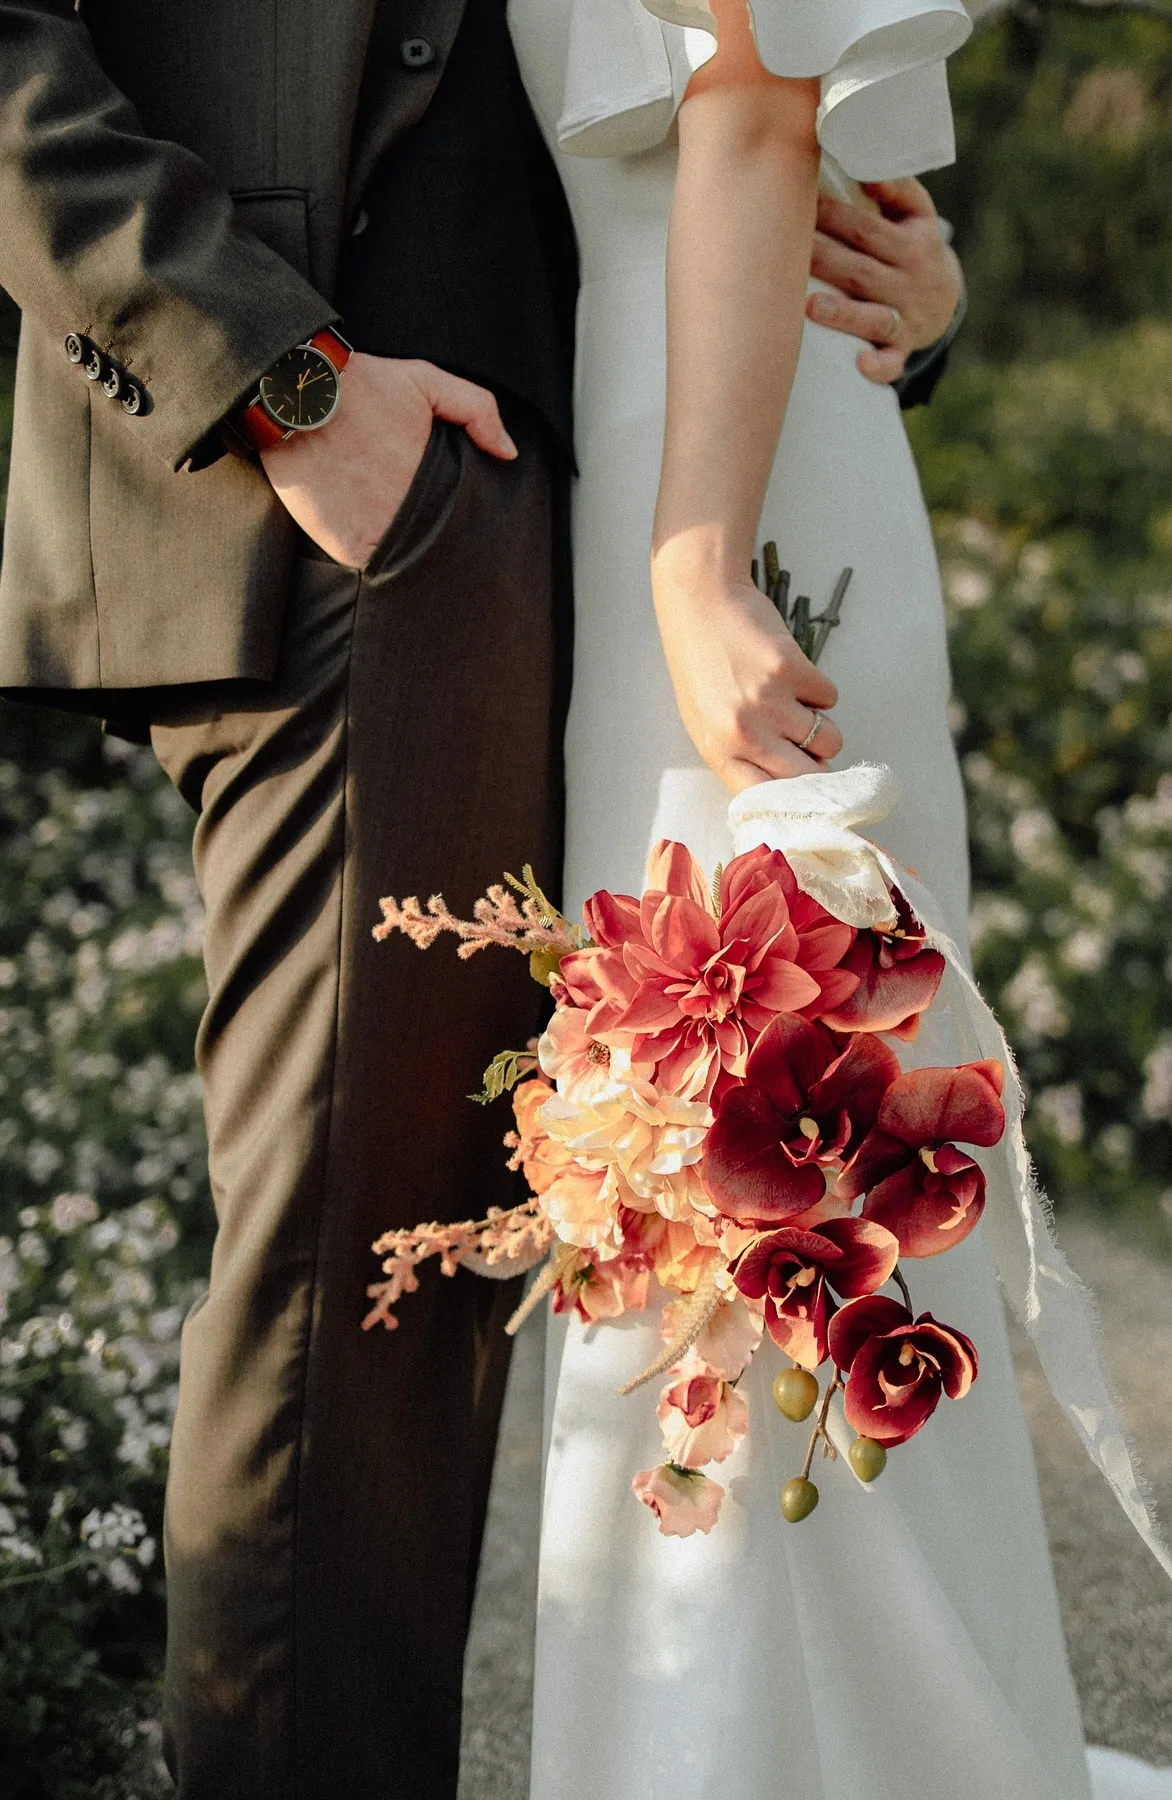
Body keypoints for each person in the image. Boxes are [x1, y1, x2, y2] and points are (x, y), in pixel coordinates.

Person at [0, 3, 964, 1793]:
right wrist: (271, 373)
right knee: (354, 1282)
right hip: (349, 466)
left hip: (578, 492)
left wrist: (906, 274)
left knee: (620, 1238)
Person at [501, 0, 1172, 1795]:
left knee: (754, 1137)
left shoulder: (695, 524)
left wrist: (694, 558)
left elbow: (761, 117)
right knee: (683, 1155)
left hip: (715, 480)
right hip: (677, 413)